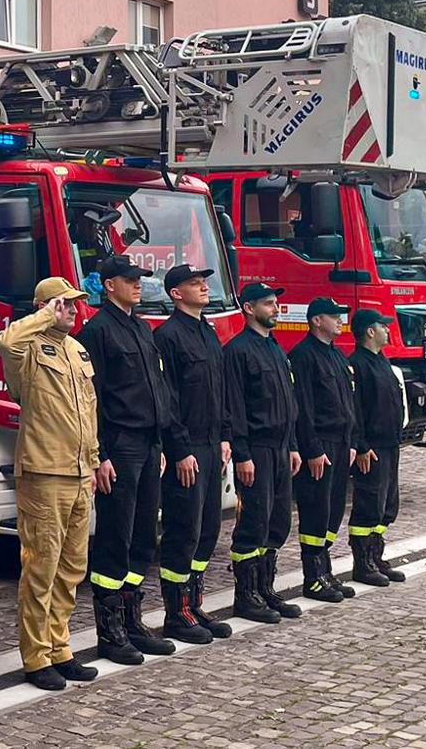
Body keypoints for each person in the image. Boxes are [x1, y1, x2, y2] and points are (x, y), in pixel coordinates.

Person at [0, 277, 102, 691]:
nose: (73, 312)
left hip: (78, 475)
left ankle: (60, 648)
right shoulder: (27, 350)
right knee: (41, 567)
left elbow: (88, 414)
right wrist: (43, 315)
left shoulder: (76, 350)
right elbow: (5, 342)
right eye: (66, 305)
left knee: (72, 569)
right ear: (46, 307)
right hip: (44, 473)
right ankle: (36, 656)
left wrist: (92, 465)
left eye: (75, 306)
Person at [75, 254, 179, 664]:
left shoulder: (140, 327)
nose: (138, 284)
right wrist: (100, 453)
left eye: (140, 279)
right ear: (109, 284)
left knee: (141, 537)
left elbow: (157, 388)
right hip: (120, 446)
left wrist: (165, 443)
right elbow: (91, 398)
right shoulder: (97, 331)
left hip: (149, 443)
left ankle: (133, 620)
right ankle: (110, 631)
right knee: (116, 536)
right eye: (130, 279)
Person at [152, 264, 233, 644]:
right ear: (175, 294)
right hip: (187, 448)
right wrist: (180, 450)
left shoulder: (207, 332)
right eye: (194, 283)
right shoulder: (168, 336)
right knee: (183, 528)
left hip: (212, 443)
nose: (203, 287)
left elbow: (219, 390)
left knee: (208, 529)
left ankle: (194, 603)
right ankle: (176, 612)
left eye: (203, 282)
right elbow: (169, 399)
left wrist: (225, 437)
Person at [222, 283, 307, 624]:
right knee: (253, 522)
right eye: (269, 304)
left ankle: (266, 588)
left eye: (276, 303)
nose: (276, 309)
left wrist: (294, 446)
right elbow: (235, 407)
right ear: (248, 308)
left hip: (280, 447)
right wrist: (242, 454)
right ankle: (246, 596)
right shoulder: (238, 351)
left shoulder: (275, 348)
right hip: (255, 448)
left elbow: (288, 401)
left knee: (277, 522)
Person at [287, 297, 362, 603]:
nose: (340, 320)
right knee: (316, 511)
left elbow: (349, 403)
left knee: (332, 513)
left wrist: (354, 442)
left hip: (342, 444)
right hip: (321, 445)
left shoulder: (338, 356)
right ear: (317, 320)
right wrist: (313, 449)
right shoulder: (304, 357)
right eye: (334, 316)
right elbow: (302, 408)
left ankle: (325, 570)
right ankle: (313, 576)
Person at [347, 308, 410, 587]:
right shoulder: (358, 364)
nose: (387, 330)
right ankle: (363, 563)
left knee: (388, 505)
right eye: (382, 326)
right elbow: (355, 409)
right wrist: (361, 446)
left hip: (389, 443)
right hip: (371, 447)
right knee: (369, 504)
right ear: (370, 331)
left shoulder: (381, 360)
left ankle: (376, 554)